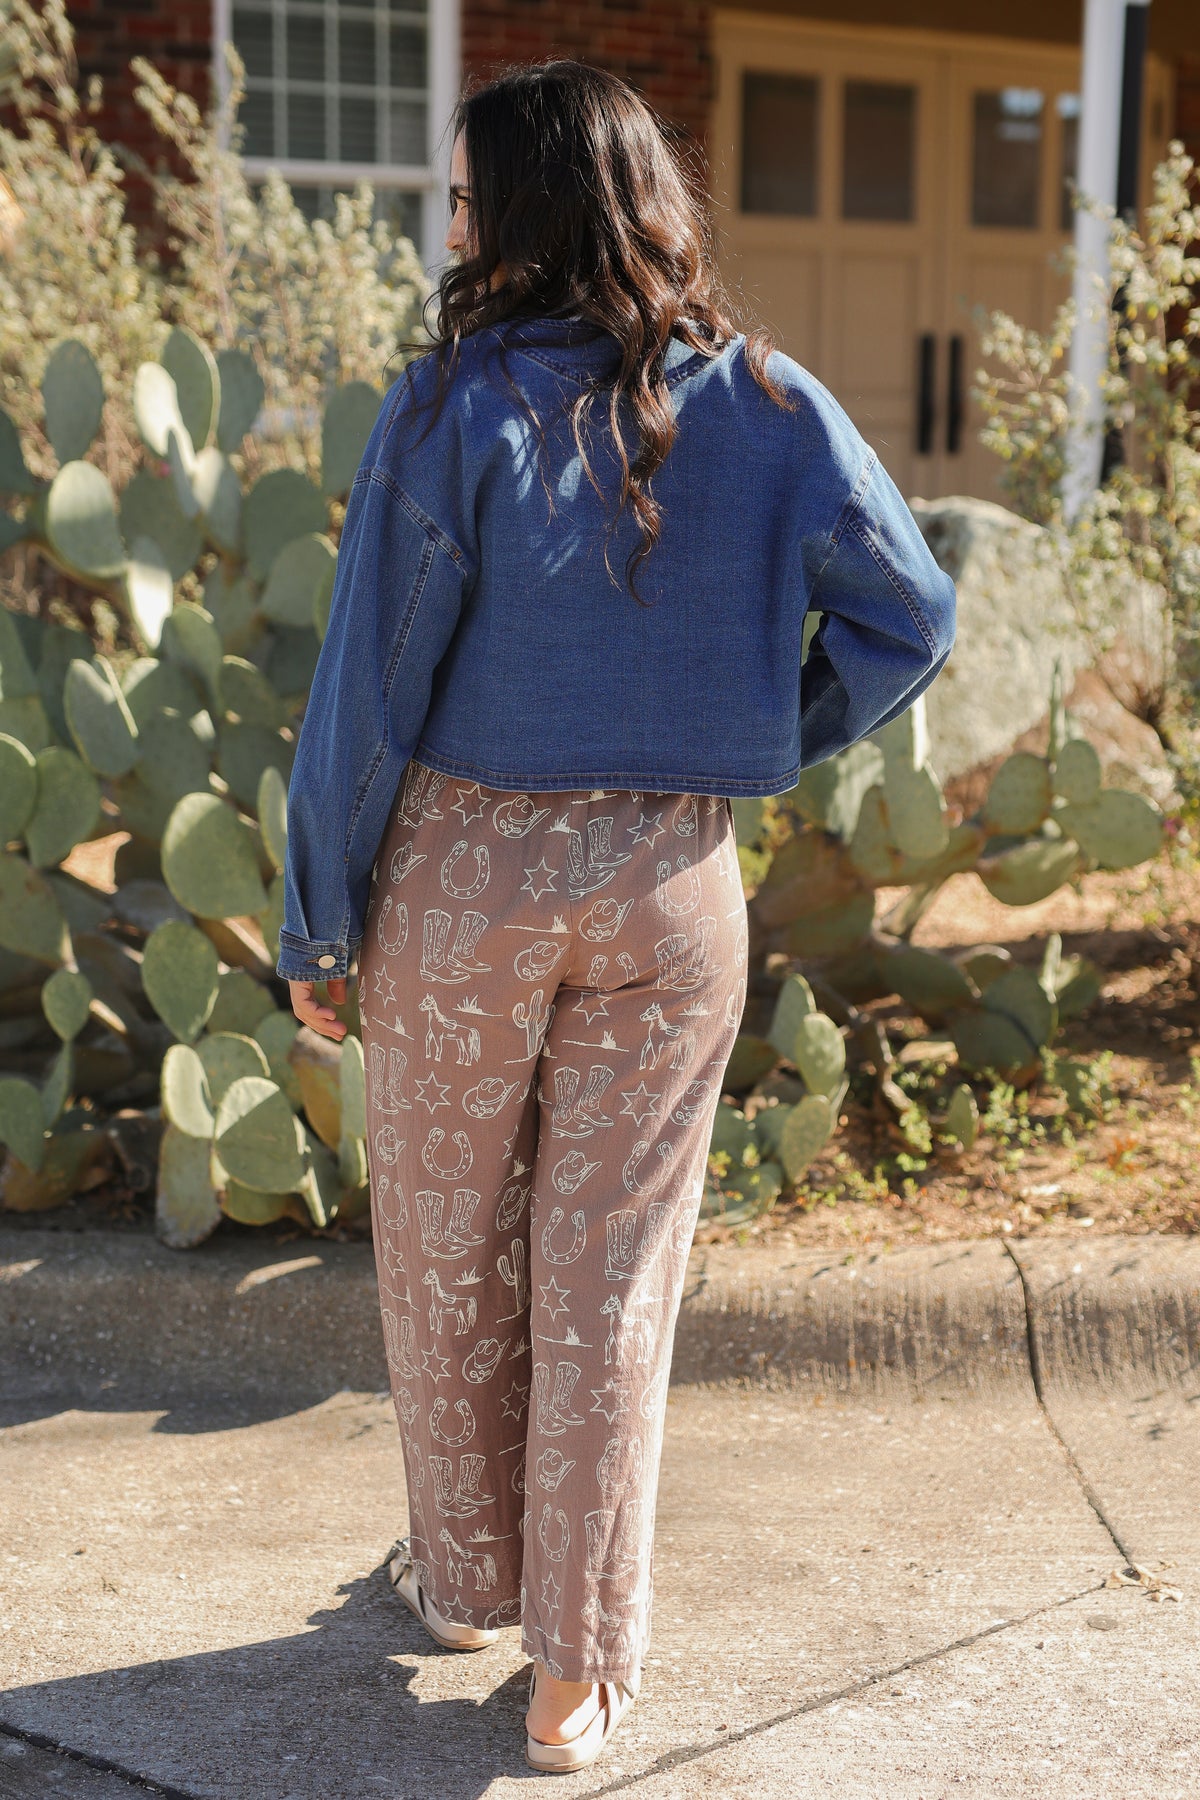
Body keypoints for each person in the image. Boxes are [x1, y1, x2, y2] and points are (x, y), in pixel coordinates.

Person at [277, 58, 956, 1776]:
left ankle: (467, 1580)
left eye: (456, 195)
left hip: (467, 880)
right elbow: (913, 616)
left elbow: (370, 686)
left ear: (517, 211)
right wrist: (749, 740)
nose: (445, 223)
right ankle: (576, 1677)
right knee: (614, 1276)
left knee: (446, 1244)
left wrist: (314, 922)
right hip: (673, 887)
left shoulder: (450, 407)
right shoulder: (776, 402)